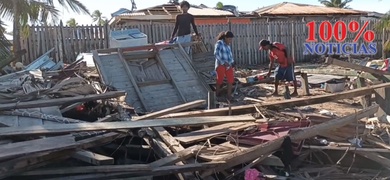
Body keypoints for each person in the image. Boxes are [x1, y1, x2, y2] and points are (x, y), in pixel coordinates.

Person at [214, 31, 235, 101]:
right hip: (221, 64)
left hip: (228, 65)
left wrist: (233, 64)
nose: (230, 41)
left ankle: (229, 96)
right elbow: (216, 54)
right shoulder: (219, 43)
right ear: (225, 38)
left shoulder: (228, 46)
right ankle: (216, 95)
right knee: (220, 80)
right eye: (229, 39)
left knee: (230, 79)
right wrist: (223, 62)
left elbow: (230, 56)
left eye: (231, 39)